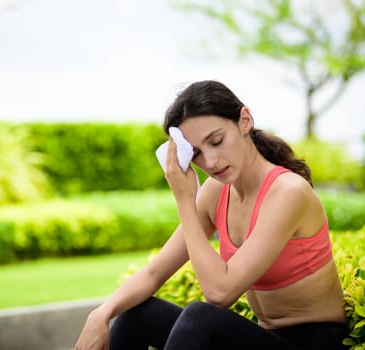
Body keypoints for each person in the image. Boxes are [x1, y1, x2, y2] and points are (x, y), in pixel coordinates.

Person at [75, 80, 348, 350]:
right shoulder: (217, 192)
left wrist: (185, 199)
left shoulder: (288, 192)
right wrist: (99, 314)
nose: (211, 162)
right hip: (264, 337)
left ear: (244, 120)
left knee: (201, 318)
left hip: (315, 343)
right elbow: (154, 273)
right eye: (195, 154)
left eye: (217, 141)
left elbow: (220, 293)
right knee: (137, 315)